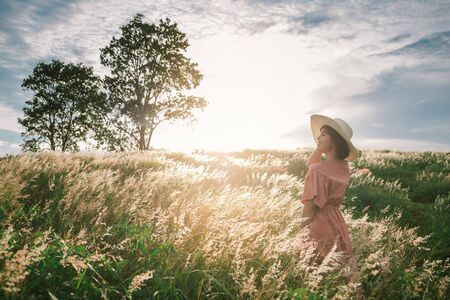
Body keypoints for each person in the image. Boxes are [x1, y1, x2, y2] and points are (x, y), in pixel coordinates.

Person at [300, 114, 359, 264]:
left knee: (315, 268)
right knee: (339, 267)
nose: (318, 138)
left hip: (319, 223)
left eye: (324, 134)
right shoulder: (343, 166)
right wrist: (322, 145)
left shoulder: (318, 170)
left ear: (335, 142)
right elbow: (311, 164)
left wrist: (300, 231)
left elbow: (310, 206)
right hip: (336, 220)